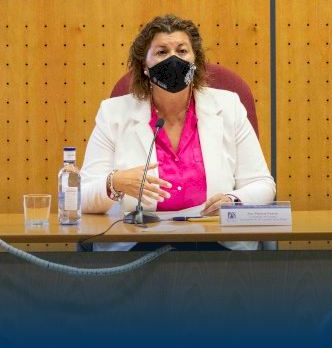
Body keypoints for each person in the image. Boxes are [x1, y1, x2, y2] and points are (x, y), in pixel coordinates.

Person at [79, 14, 276, 249]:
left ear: (195, 61)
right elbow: (82, 197)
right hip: (138, 244)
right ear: (144, 66)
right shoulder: (114, 113)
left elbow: (262, 184)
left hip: (215, 242)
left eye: (182, 51)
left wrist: (233, 201)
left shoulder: (228, 106)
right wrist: (114, 183)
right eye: (162, 52)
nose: (173, 59)